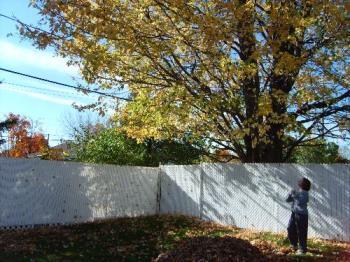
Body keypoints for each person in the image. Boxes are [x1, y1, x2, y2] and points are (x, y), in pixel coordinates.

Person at [286, 177, 311, 254]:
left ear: (303, 184)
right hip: (294, 213)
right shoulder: (297, 192)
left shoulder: (305, 193)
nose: (299, 181)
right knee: (290, 228)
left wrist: (294, 195)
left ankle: (302, 248)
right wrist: (290, 194)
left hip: (302, 215)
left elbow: (300, 202)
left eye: (301, 180)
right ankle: (294, 244)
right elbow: (287, 200)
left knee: (301, 231)